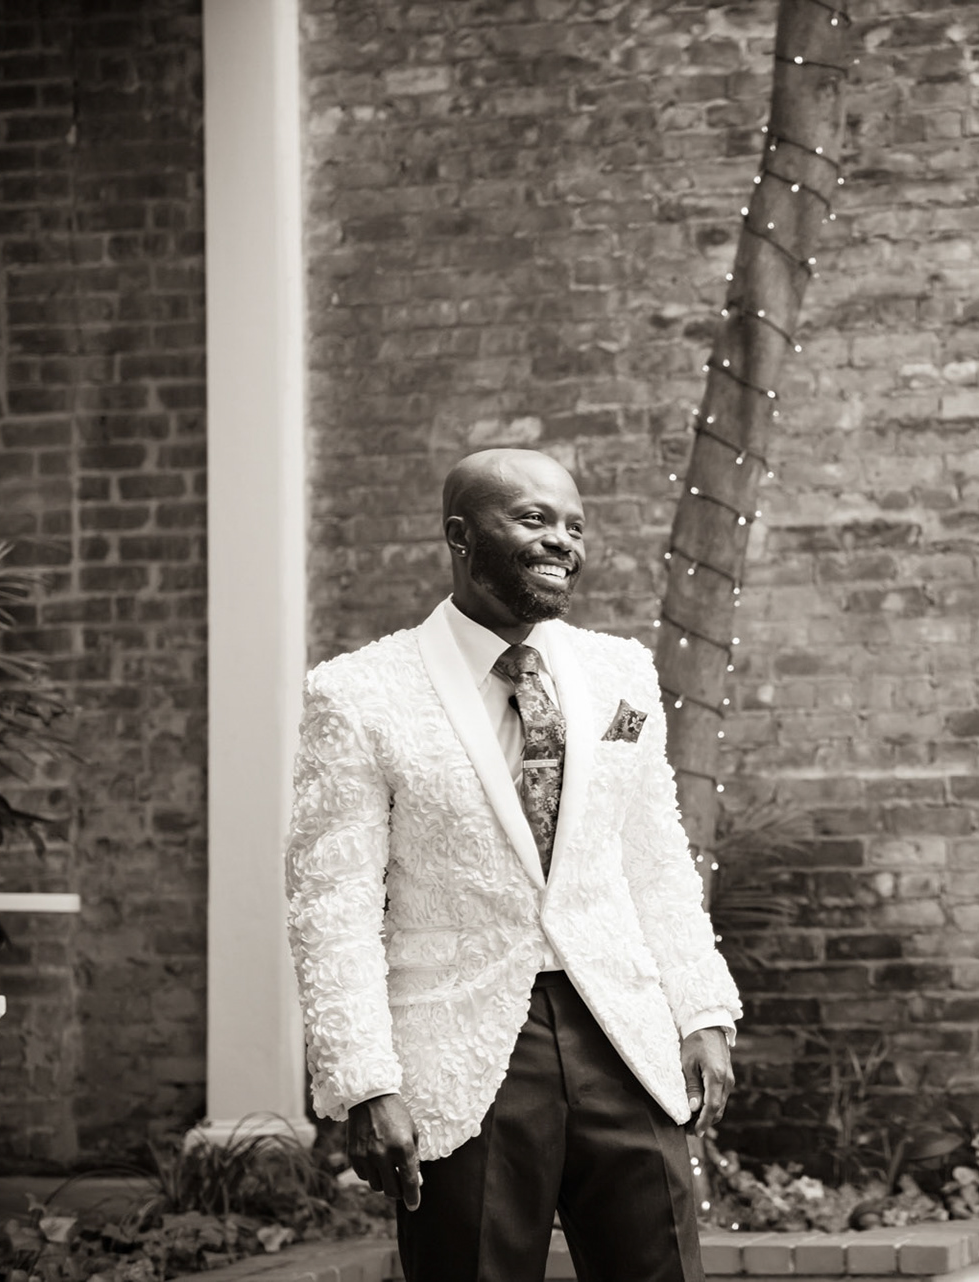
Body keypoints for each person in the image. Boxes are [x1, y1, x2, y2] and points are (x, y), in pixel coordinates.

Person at [285, 448, 741, 1282]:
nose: (562, 541)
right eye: (533, 519)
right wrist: (363, 1083)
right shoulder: (359, 693)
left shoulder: (620, 673)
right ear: (460, 535)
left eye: (574, 525)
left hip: (622, 1033)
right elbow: (332, 906)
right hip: (464, 1052)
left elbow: (654, 857)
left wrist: (702, 1009)